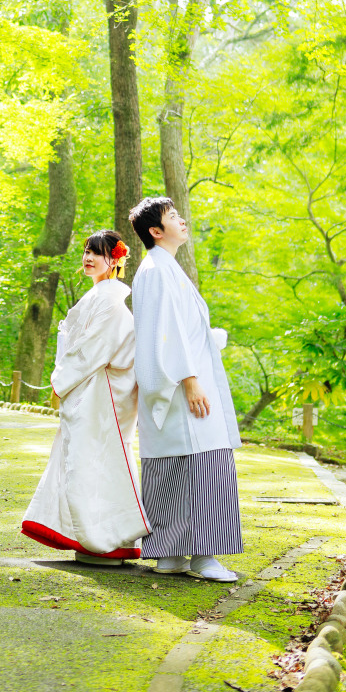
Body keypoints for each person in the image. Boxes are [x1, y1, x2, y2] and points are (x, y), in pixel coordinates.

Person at [128, 196, 242, 582]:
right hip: (182, 385)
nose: (182, 221)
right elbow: (168, 333)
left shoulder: (162, 268)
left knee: (174, 467)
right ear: (156, 231)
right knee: (203, 464)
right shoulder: (157, 270)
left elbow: (179, 328)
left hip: (178, 383)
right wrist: (191, 381)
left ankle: (171, 553)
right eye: (173, 217)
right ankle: (204, 556)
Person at [21, 229, 150, 564]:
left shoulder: (111, 303)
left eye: (98, 252)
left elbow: (93, 349)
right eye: (87, 251)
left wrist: (61, 380)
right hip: (90, 388)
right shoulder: (97, 297)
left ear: (115, 260)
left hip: (103, 392)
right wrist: (64, 378)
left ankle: (106, 540)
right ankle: (86, 537)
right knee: (81, 459)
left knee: (97, 460)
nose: (89, 257)